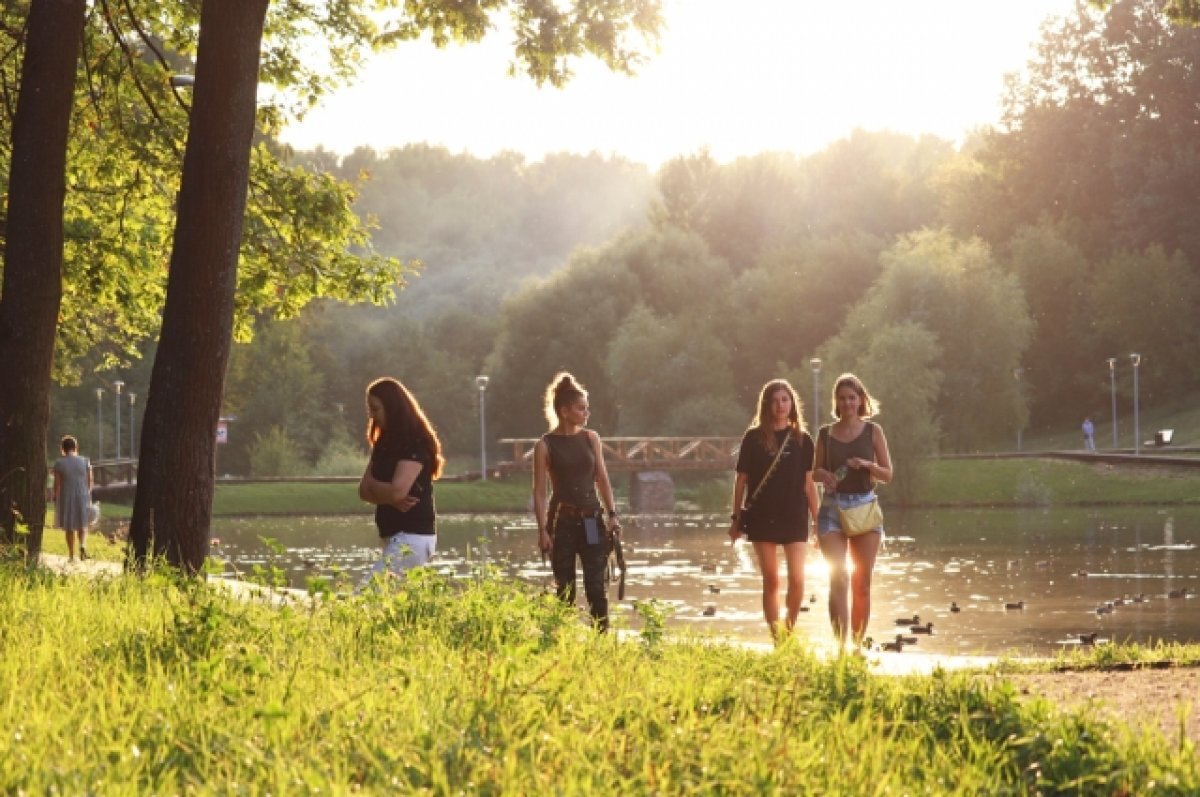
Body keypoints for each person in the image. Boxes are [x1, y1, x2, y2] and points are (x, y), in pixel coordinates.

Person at [727, 380, 820, 639]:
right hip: (762, 516)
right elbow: (741, 480)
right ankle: (776, 638)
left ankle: (788, 629)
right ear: (766, 405)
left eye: (785, 400)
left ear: (792, 404)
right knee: (771, 580)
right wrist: (735, 518)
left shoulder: (803, 440)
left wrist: (818, 521)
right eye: (775, 401)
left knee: (798, 579)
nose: (780, 405)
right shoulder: (753, 438)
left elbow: (809, 484)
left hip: (794, 515)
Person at [532, 372, 622, 630]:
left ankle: (601, 639)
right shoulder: (545, 445)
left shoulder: (591, 438)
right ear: (564, 411)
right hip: (562, 523)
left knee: (596, 586)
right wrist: (542, 530)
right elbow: (540, 492)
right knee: (565, 589)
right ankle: (563, 640)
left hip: (592, 521)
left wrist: (612, 515)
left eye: (587, 408)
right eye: (581, 408)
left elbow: (602, 478)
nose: (586, 413)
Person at [812, 373, 893, 650]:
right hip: (832, 509)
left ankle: (857, 648)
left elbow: (888, 474)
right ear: (836, 402)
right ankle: (841, 648)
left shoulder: (873, 431)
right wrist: (824, 475)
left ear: (860, 400)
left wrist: (867, 466)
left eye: (851, 397)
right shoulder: (825, 434)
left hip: (865, 509)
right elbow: (814, 472)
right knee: (839, 578)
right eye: (842, 398)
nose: (847, 403)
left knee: (862, 583)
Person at [357, 377, 444, 585]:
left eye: (375, 409)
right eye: (369, 409)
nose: (372, 415)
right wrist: (389, 496)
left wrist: (381, 490)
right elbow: (363, 490)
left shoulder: (415, 443)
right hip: (391, 536)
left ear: (392, 407)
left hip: (412, 537)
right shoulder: (384, 442)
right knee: (387, 598)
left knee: (366, 594)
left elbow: (396, 491)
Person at [52, 435, 94, 561]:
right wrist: (88, 494)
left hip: (67, 495)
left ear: (63, 448)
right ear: (76, 447)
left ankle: (71, 555)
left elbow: (57, 483)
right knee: (83, 523)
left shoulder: (59, 463)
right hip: (82, 494)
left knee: (69, 526)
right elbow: (89, 481)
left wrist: (55, 496)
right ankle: (82, 545)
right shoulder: (85, 461)